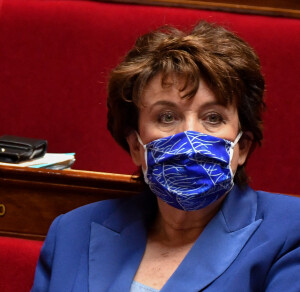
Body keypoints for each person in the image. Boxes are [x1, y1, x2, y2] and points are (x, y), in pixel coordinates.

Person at [31, 21, 300, 292]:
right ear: (136, 145)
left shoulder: (290, 233)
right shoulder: (72, 232)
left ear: (243, 147)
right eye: (167, 117)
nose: (190, 137)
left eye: (213, 117)